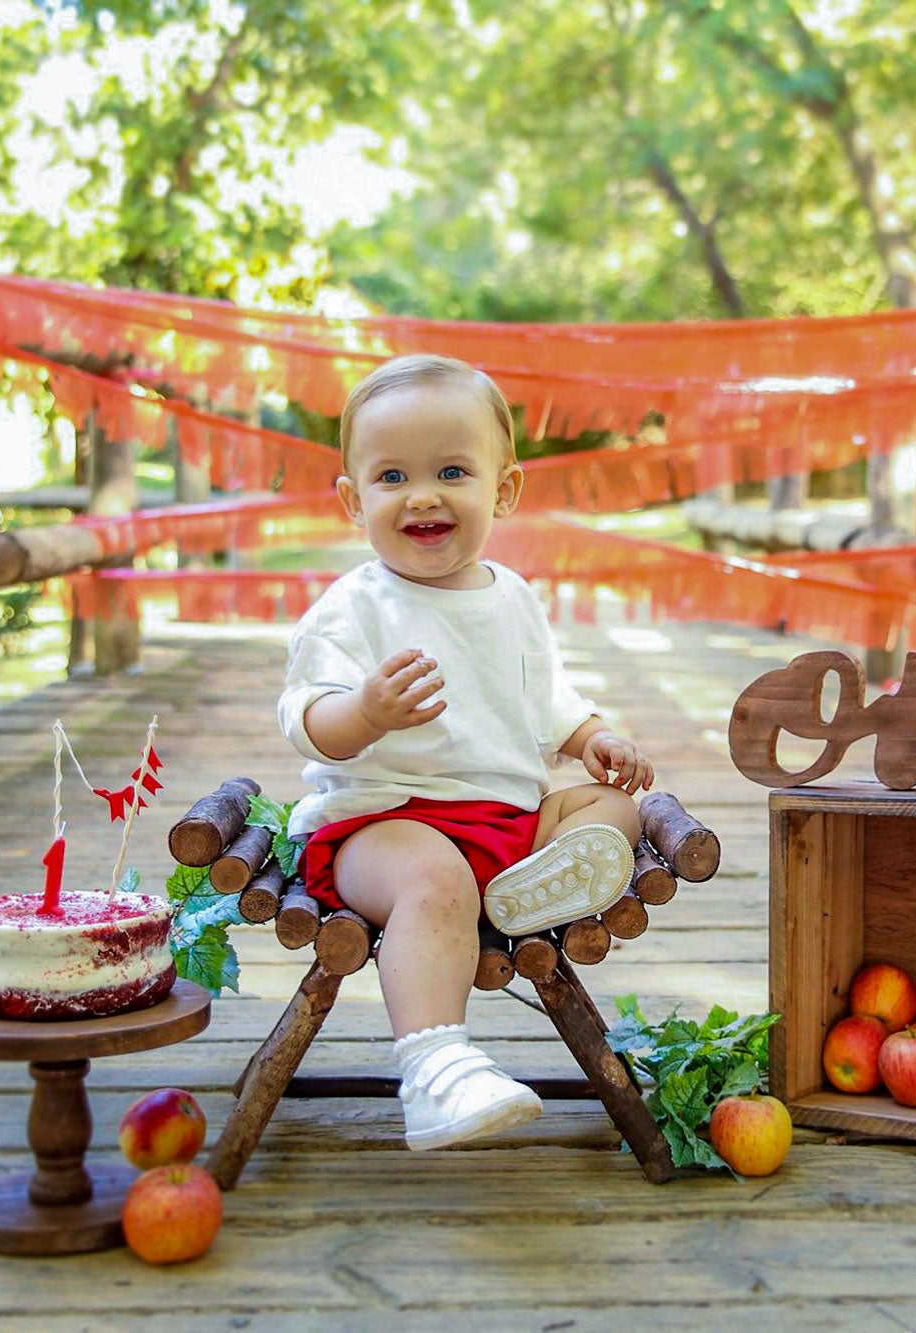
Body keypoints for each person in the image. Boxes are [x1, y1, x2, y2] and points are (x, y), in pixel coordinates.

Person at [277, 353, 656, 1151]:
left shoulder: (511, 596)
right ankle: (435, 1067)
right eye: (391, 477)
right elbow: (305, 717)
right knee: (432, 875)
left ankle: (529, 889)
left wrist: (591, 737)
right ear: (353, 500)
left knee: (616, 807)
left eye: (452, 469)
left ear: (503, 489)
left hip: (506, 823)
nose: (423, 494)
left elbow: (543, 697)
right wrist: (365, 711)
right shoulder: (355, 607)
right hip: (385, 822)